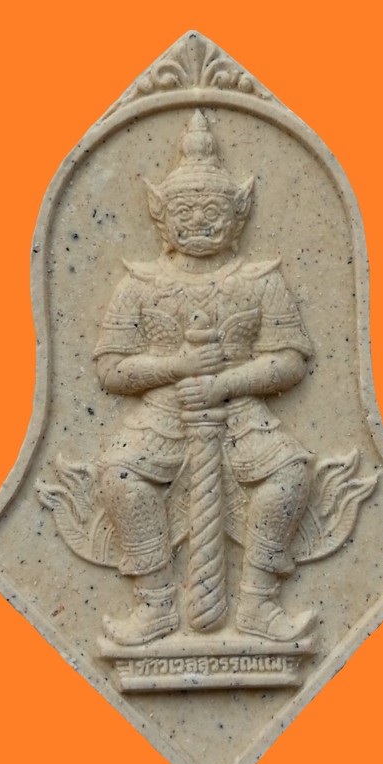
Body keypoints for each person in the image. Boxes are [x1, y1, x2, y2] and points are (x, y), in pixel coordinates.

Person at [94, 110, 315, 645]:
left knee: (291, 474)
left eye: (212, 211)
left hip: (240, 412)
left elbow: (289, 359)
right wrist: (176, 368)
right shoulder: (140, 284)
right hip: (162, 416)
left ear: (238, 214)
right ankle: (155, 605)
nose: (199, 223)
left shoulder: (260, 281)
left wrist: (225, 383)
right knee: (119, 475)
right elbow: (111, 368)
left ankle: (258, 602)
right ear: (161, 216)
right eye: (185, 212)